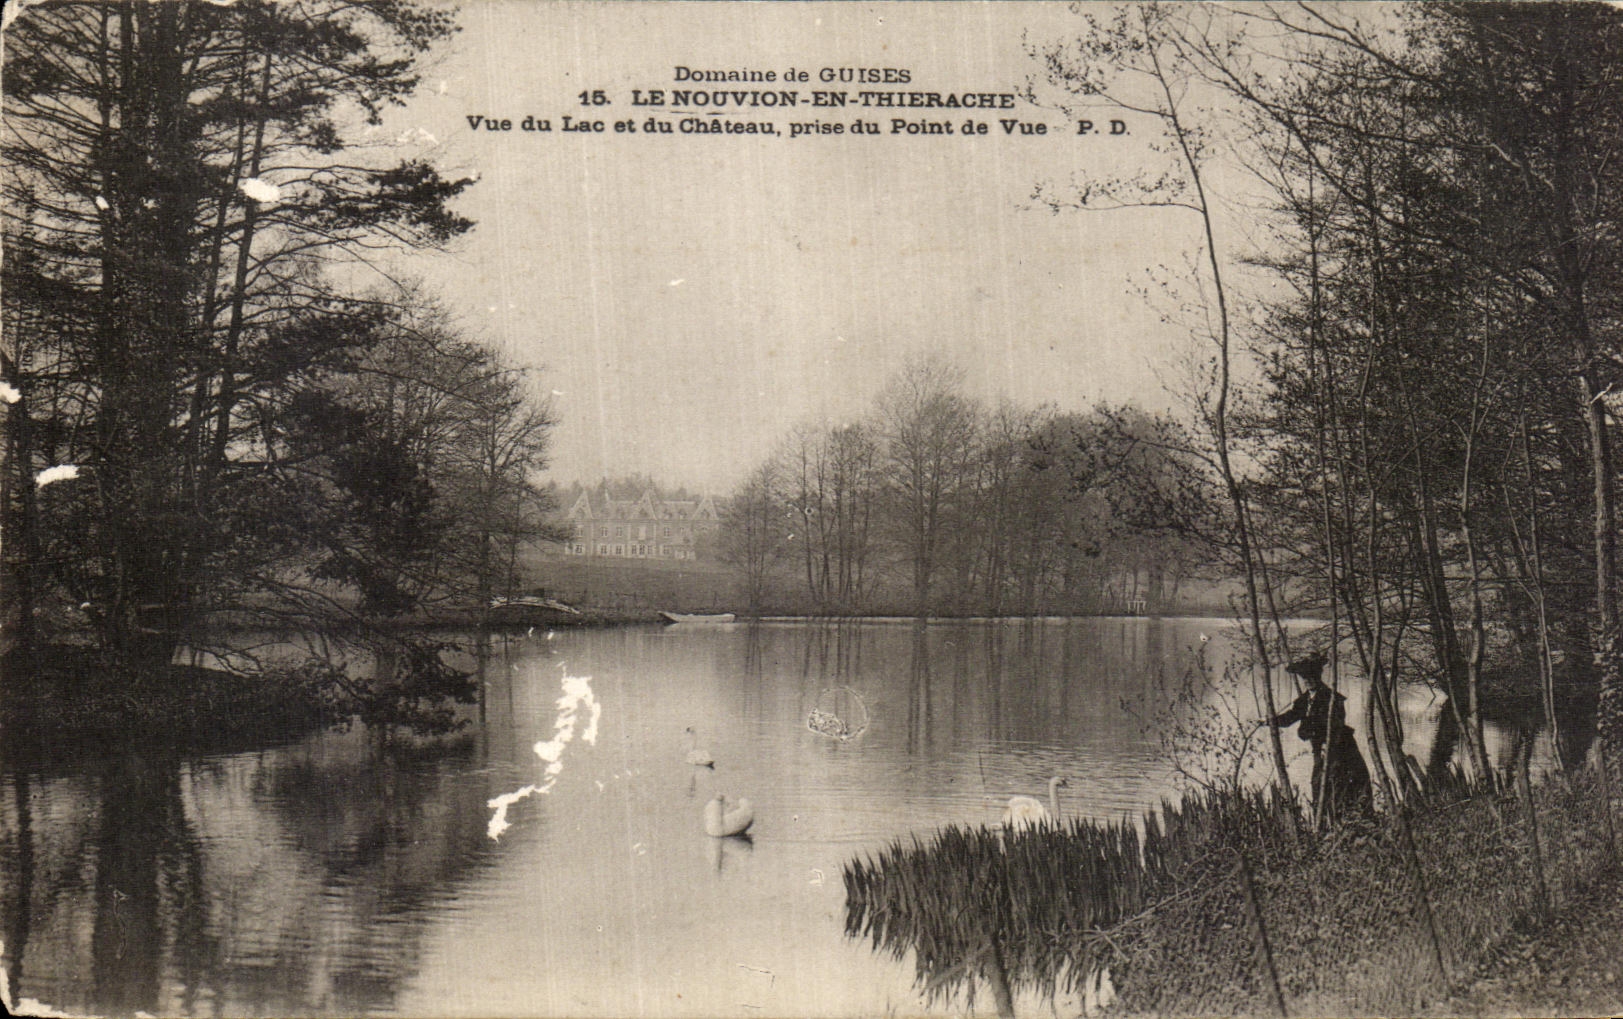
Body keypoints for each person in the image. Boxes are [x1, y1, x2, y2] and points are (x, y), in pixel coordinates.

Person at [1268, 651, 1373, 824]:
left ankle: (1347, 819)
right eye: (1305, 679)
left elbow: (1337, 724)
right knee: (1319, 782)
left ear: (1318, 677)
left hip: (1341, 747)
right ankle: (1326, 821)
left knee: (1336, 780)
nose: (1308, 681)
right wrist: (1269, 722)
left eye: (1312, 678)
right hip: (1321, 748)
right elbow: (1289, 718)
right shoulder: (1304, 700)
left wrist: (1326, 745)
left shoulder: (1332, 698)